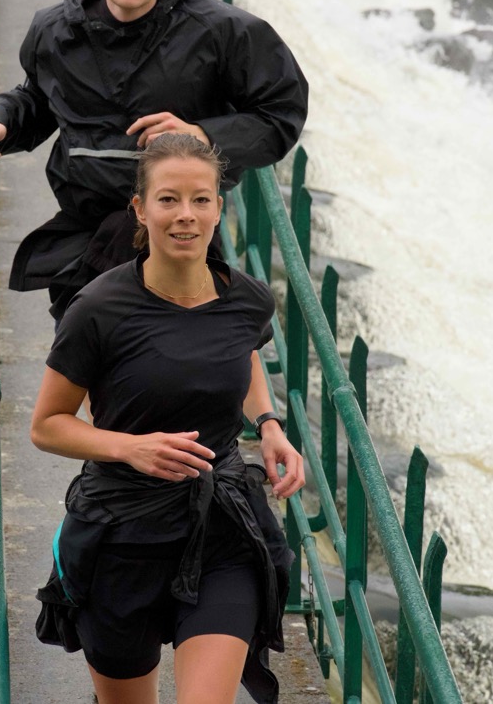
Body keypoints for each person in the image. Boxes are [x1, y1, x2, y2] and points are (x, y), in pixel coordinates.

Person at [30, 135, 306, 704]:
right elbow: (48, 424)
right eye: (168, 199)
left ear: (219, 208)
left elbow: (243, 352)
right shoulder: (97, 310)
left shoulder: (248, 300)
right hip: (122, 535)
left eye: (201, 199)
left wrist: (269, 424)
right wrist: (129, 448)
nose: (186, 215)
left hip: (222, 529)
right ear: (140, 209)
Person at [0, 0, 308, 320]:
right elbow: (38, 96)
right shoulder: (54, 30)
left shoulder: (222, 32)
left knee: (173, 350)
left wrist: (202, 135)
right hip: (86, 237)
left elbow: (281, 112)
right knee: (92, 351)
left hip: (178, 236)